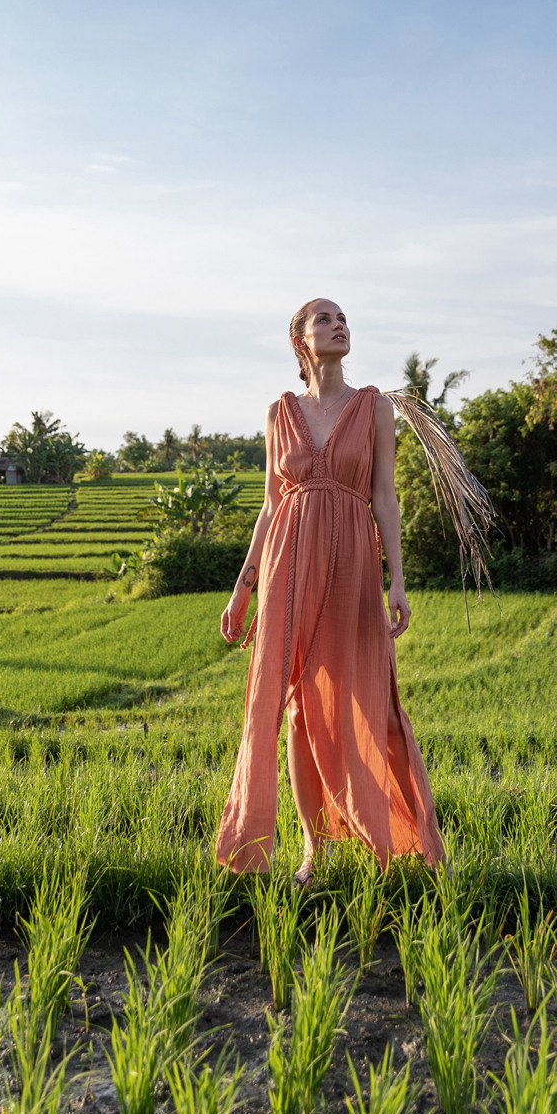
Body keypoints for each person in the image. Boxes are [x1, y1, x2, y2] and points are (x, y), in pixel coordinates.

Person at [213, 297, 448, 880]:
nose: (338, 325)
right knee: (296, 709)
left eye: (343, 319)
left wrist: (397, 579)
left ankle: (394, 839)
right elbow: (271, 506)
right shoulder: (279, 414)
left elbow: (384, 497)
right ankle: (313, 851)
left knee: (375, 703)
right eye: (324, 318)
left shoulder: (375, 409)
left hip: (353, 566)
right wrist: (243, 590)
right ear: (300, 341)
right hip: (287, 564)